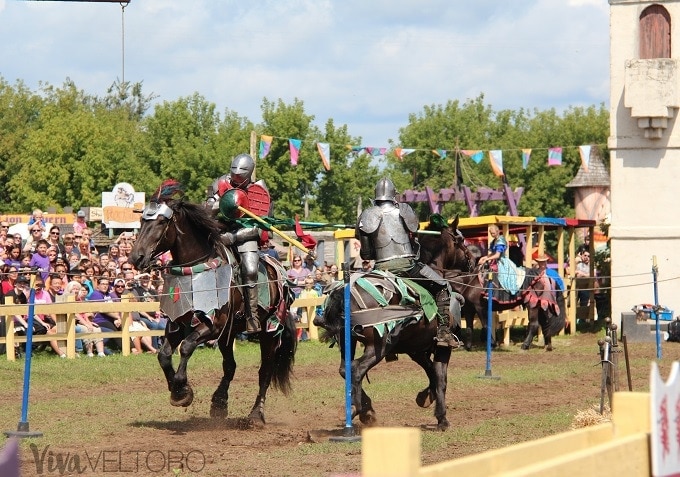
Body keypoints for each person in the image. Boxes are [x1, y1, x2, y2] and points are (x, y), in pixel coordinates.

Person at [356, 177, 462, 347]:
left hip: (381, 269)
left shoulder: (367, 215)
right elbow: (414, 236)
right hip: (407, 266)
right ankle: (443, 333)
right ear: (393, 195)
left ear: (376, 196)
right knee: (442, 286)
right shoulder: (404, 210)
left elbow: (366, 254)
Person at [206, 153, 271, 334]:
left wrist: (233, 238)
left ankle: (252, 317)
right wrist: (223, 202)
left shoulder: (259, 190)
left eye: (240, 174)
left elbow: (262, 225)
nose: (236, 177)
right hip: (220, 232)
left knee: (250, 270)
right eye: (233, 173)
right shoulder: (220, 184)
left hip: (246, 235)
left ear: (249, 174)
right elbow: (206, 211)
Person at [477, 224, 520, 295]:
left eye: (493, 233)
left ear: (498, 232)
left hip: (501, 261)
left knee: (497, 274)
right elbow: (493, 253)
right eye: (491, 233)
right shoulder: (494, 241)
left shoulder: (500, 241)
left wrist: (487, 259)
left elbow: (497, 255)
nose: (492, 235)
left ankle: (497, 292)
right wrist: (485, 257)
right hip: (495, 260)